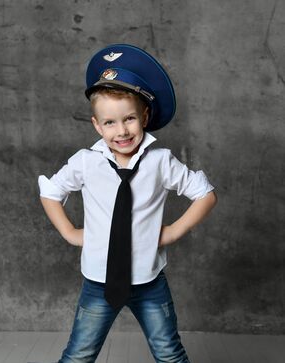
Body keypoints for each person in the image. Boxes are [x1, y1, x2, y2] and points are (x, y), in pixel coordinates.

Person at [37, 44, 217, 363]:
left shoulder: (161, 162)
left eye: (129, 119)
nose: (121, 131)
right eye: (110, 123)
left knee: (169, 352)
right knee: (79, 354)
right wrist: (68, 232)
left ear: (144, 116)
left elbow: (205, 194)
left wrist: (174, 231)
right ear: (96, 125)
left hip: (149, 280)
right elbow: (51, 192)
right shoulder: (85, 162)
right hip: (98, 281)